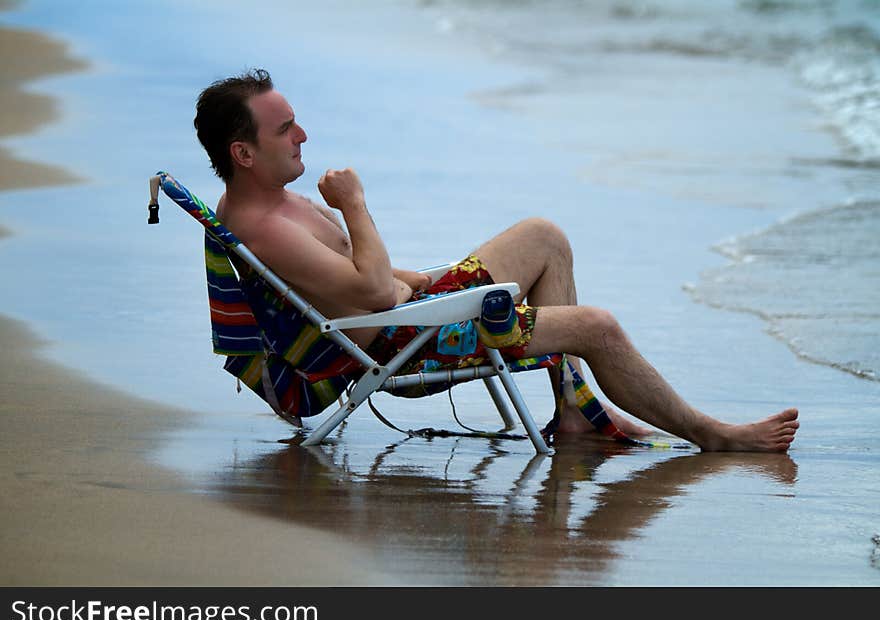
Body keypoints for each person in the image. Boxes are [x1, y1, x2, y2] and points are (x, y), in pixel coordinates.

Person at [193, 69, 799, 452]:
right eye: (286, 130)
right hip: (404, 341)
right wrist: (355, 204)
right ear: (243, 152)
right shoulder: (267, 227)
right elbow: (373, 293)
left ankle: (574, 413)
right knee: (598, 327)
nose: (302, 135)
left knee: (545, 236)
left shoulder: (272, 201)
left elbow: (369, 276)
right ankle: (711, 434)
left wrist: (417, 279)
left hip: (416, 310)